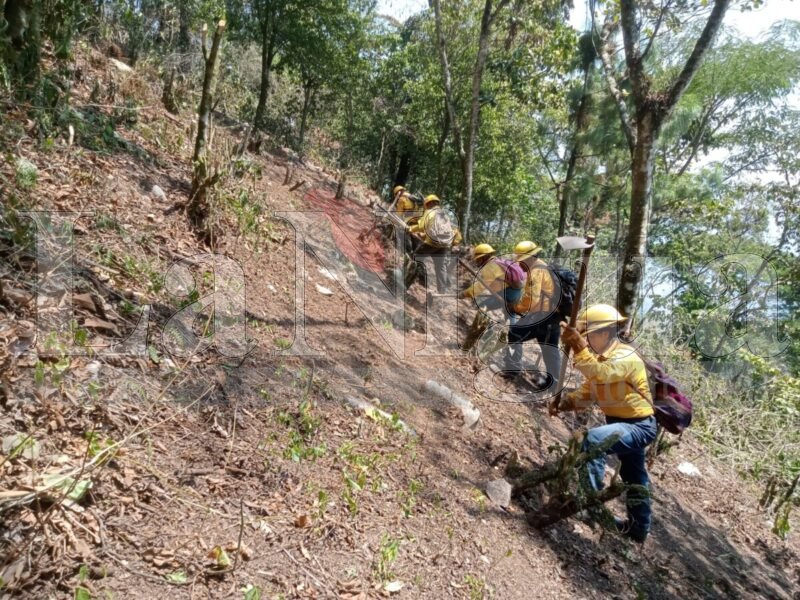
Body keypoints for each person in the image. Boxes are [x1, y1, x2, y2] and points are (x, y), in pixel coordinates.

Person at [553, 303, 657, 543]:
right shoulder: (602, 358)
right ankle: (639, 528)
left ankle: (589, 506)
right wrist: (565, 403)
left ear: (603, 333)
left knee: (592, 442)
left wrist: (578, 347)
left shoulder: (625, 356)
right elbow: (589, 392)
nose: (586, 341)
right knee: (634, 476)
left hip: (639, 425)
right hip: (621, 421)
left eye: (587, 336)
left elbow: (601, 373)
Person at [502, 241, 561, 390]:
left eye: (521, 261)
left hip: (542, 315)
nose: (519, 265)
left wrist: (516, 307)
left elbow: (531, 299)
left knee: (514, 333)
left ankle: (512, 370)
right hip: (553, 316)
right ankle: (554, 385)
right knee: (550, 350)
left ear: (529, 258)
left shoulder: (536, 271)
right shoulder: (542, 266)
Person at [405, 194, 455, 295]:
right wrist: (424, 236)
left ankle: (404, 284)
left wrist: (410, 229)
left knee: (415, 259)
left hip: (432, 243)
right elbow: (438, 229)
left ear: (429, 203)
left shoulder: (430, 212)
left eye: (426, 204)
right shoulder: (444, 214)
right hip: (445, 245)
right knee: (440, 267)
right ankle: (442, 293)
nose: (426, 206)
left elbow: (421, 226)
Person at [461, 243, 525, 321]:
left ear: (483, 258)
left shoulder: (490, 266)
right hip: (516, 293)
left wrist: (465, 293)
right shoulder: (498, 261)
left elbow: (481, 285)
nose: (477, 261)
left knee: (483, 306)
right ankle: (513, 331)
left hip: (508, 293)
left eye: (478, 259)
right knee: (510, 314)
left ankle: (476, 327)